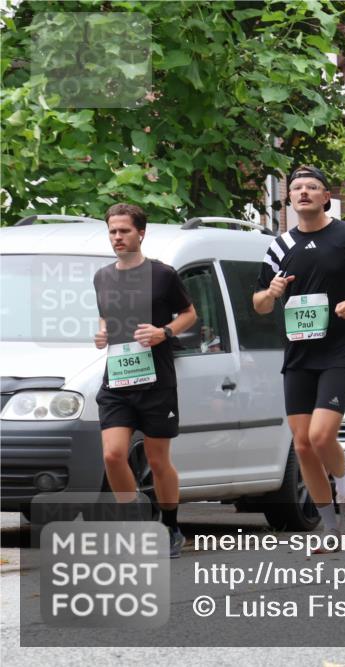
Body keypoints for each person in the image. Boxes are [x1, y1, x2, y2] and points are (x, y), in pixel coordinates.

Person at [253, 165, 345, 550]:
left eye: (311, 187)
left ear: (325, 197)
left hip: (340, 349)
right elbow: (260, 304)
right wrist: (273, 292)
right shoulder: (279, 246)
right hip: (299, 351)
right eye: (296, 187)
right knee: (302, 445)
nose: (303, 192)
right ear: (290, 199)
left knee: (320, 434)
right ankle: (331, 527)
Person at [93, 203, 197, 558]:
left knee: (157, 461)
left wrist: (163, 331)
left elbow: (189, 314)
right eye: (112, 231)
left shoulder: (163, 275)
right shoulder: (103, 276)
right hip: (118, 379)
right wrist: (103, 332)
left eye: (124, 231)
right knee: (113, 454)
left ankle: (170, 525)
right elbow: (107, 315)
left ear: (141, 233)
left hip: (156, 381)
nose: (117, 237)